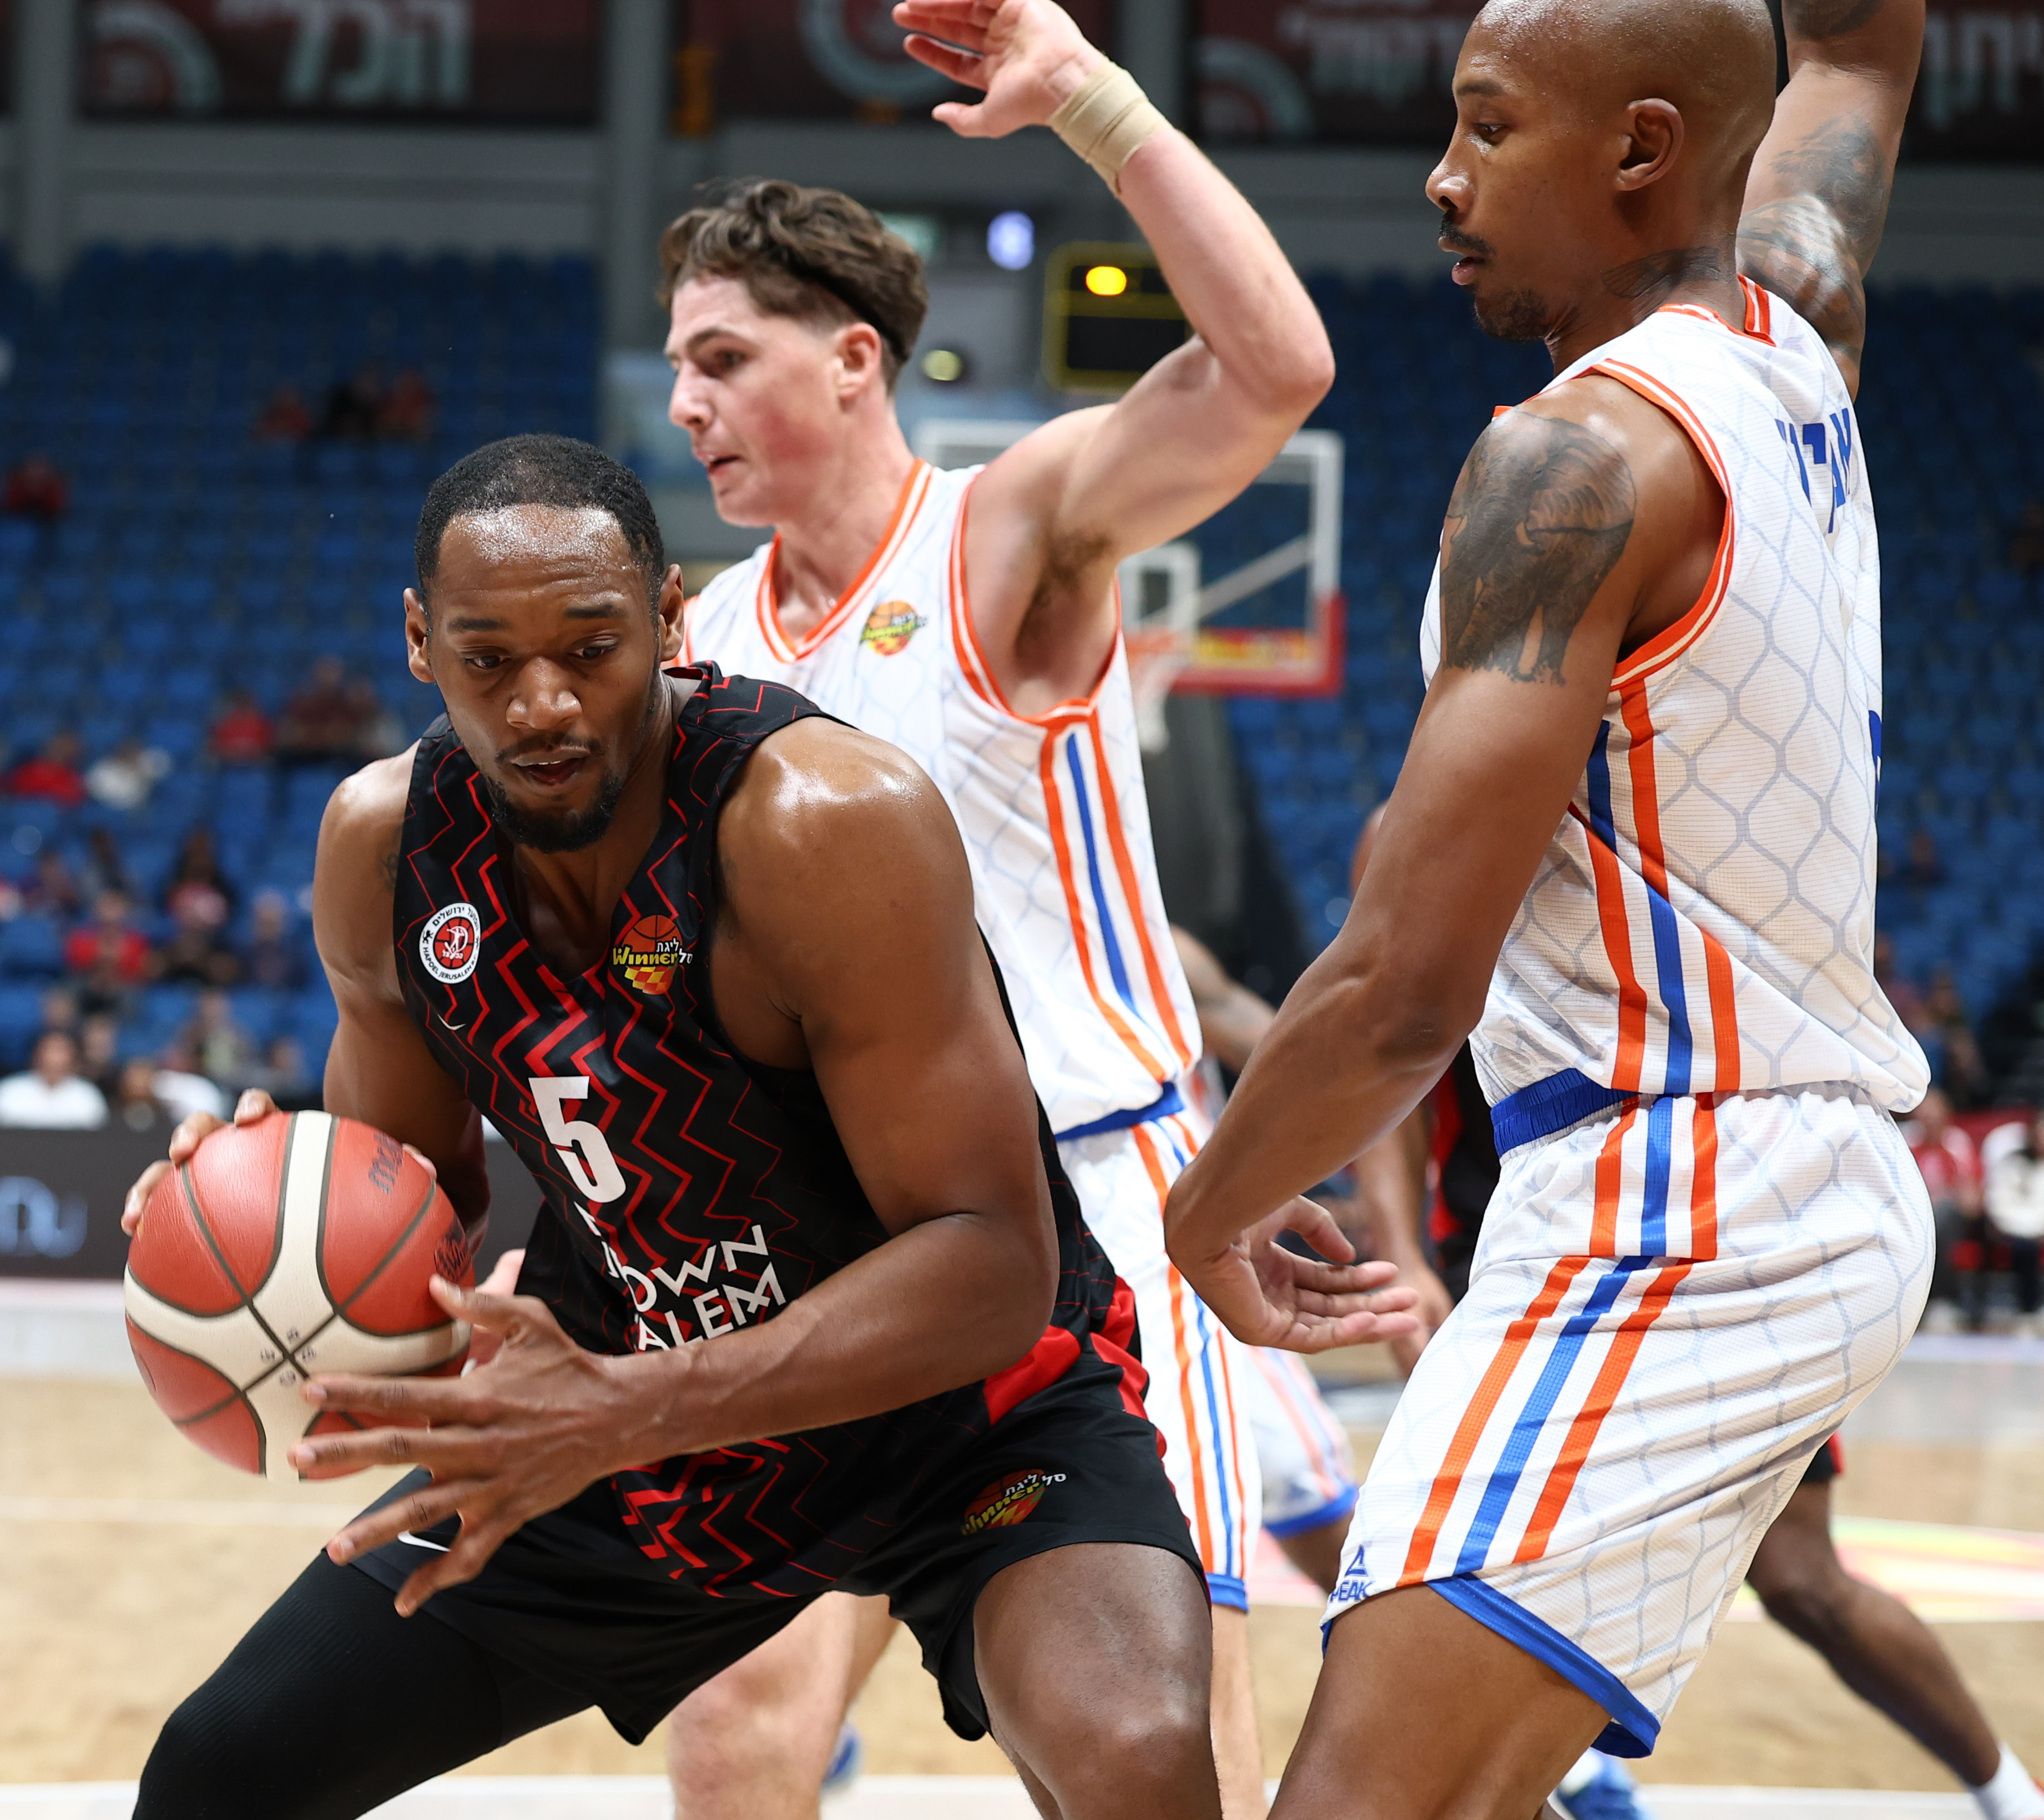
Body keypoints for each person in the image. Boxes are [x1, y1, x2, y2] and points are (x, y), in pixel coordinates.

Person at [118, 436, 1403, 1820]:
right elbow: (414, 1217)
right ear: (421, 643)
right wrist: (260, 1200)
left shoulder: (820, 821)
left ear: (670, 618)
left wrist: (624, 1409)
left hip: (966, 1419)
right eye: (489, 659)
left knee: (1140, 1752)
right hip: (635, 1429)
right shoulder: (388, 849)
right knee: (218, 1771)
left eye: (591, 648)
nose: (543, 702)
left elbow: (992, 1265)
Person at [1162, 1, 1950, 1813]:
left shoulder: (1574, 462)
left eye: (1488, 126)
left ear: (1643, 148)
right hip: (1787, 1176)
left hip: (1677, 1202)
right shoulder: (1793, 328)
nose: (1440, 179)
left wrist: (1208, 1213)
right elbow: (1856, 55)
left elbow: (1398, 989)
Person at [671, 9, 1338, 1809]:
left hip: (1100, 1197)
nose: (684, 405)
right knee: (734, 1730)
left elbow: (1276, 367)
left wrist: (1093, 107)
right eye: (678, 368)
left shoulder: (1002, 531)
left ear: (853, 361)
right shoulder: (702, 644)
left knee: (1156, 1754)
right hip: (851, 1237)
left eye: (722, 360)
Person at [1347, 817, 2038, 1820]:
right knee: (1467, 1587)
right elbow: (1387, 1053)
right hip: (1528, 1253)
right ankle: (1579, 1775)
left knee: (1800, 1580)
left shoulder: (1678, 809)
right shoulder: (1409, 833)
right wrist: (1402, 1255)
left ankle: (2011, 1794)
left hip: (1715, 1225)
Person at [1172, 924, 1365, 1596]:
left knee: (1305, 1486)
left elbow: (1303, 1064)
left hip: (1190, 1249)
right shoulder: (949, 944)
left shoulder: (1152, 943)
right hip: (1046, 1258)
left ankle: (1402, 1644)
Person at [1908, 1086, 1982, 1322]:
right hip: (1915, 1214)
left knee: (1943, 1215)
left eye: (1935, 1113)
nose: (1930, 1119)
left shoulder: (1957, 1143)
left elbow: (1971, 1197)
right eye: (1925, 1113)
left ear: (1946, 1115)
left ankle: (1939, 1300)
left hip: (1950, 1216)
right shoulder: (1907, 1141)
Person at [1979, 1111, 2044, 1333]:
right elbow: (1998, 1202)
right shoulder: (2011, 1165)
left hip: (2039, 1231)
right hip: (2011, 1231)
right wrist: (2028, 1230)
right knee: (2024, 1250)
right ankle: (2027, 1312)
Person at [0, 1030, 108, 1129]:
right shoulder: (9, 1091)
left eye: (61, 1050)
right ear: (36, 1054)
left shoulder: (88, 1096)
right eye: (49, 1049)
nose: (54, 1057)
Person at [276, 657, 373, 764]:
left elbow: (347, 735)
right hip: (304, 756)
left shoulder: (347, 705)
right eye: (325, 673)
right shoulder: (304, 702)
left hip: (339, 757)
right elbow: (295, 733)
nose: (328, 679)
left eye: (332, 673)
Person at [84, 736, 171, 813]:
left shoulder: (149, 763)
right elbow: (99, 795)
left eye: (135, 752)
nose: (132, 756)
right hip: (113, 812)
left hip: (139, 809)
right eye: (128, 753)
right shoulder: (102, 771)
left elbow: (164, 770)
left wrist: (141, 774)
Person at [4, 731, 87, 810]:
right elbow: (11, 795)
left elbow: (72, 804)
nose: (61, 749)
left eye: (67, 747)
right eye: (59, 745)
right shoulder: (26, 772)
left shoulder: (73, 781)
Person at [210, 689, 276, 765]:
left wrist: (252, 752)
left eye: (246, 704)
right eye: (241, 704)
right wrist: (234, 752)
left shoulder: (261, 724)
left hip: (256, 765)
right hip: (230, 765)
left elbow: (268, 748)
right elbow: (217, 749)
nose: (243, 708)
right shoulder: (225, 724)